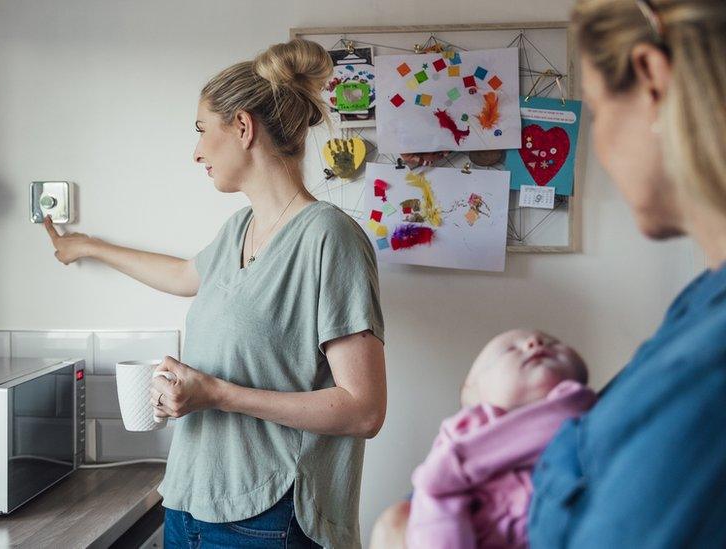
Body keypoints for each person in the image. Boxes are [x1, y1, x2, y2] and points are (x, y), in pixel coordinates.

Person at [372, 0, 726, 546]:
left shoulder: (708, 359)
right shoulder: (700, 306)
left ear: (653, 80)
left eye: (601, 113)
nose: (602, 150)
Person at [44, 38, 386, 548]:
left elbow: (363, 409)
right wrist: (88, 247)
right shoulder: (239, 229)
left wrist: (219, 395)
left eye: (203, 130)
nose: (197, 151)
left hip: (267, 516)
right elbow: (185, 274)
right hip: (188, 501)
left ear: (243, 127)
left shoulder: (329, 238)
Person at [406, 330, 595, 549]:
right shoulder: (461, 430)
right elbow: (435, 496)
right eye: (509, 350)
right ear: (474, 392)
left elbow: (440, 476)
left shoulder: (574, 401)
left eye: (553, 342)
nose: (535, 342)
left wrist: (458, 465)